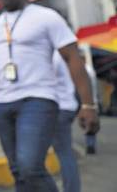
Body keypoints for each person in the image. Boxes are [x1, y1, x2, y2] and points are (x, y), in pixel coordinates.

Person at [0, 0, 99, 192]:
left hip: (38, 99)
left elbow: (72, 57)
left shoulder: (46, 16)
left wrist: (88, 104)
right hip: (2, 102)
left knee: (30, 167)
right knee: (17, 170)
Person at [51, 52, 80, 192]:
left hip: (59, 107)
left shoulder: (52, 54)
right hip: (66, 106)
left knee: (64, 153)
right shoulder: (61, 55)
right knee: (66, 152)